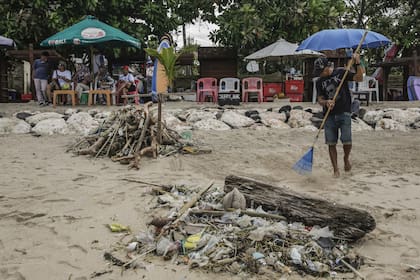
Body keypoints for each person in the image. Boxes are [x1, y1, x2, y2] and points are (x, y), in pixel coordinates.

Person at [314, 54, 364, 177]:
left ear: (327, 68)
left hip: (344, 112)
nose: (320, 74)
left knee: (347, 141)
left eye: (321, 71)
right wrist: (326, 102)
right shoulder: (319, 81)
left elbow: (359, 78)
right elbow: (320, 99)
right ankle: (335, 169)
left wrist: (357, 62)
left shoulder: (341, 73)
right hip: (329, 115)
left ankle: (346, 158)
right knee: (331, 143)